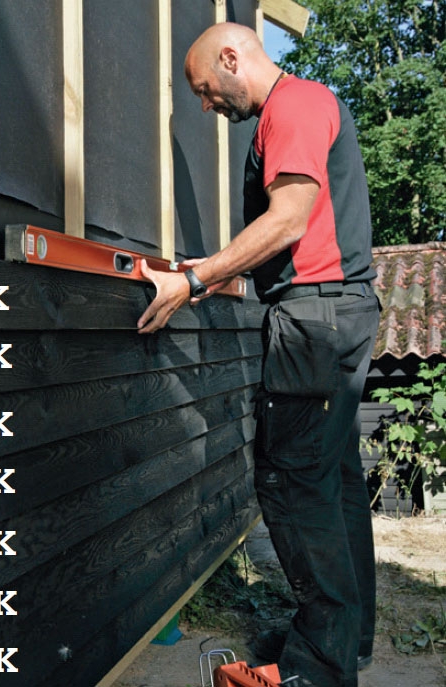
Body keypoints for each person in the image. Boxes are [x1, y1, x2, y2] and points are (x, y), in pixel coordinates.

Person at [137, 22, 380, 687]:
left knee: (292, 482)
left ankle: (318, 667)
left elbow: (289, 219)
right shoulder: (305, 105)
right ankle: (345, 642)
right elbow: (294, 237)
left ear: (230, 57)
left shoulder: (292, 106)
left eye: (204, 89)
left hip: (313, 325)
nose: (206, 104)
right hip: (338, 313)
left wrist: (193, 280)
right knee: (333, 480)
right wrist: (218, 271)